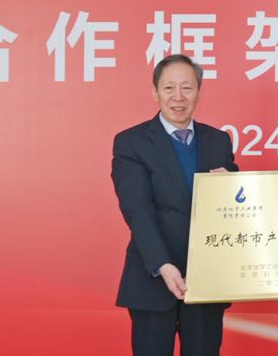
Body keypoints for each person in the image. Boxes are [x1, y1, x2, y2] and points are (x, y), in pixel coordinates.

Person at [111, 54, 238, 356]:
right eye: (169, 88)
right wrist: (163, 266)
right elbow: (138, 211)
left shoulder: (218, 140)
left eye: (187, 87)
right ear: (155, 92)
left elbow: (234, 209)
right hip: (153, 277)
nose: (178, 97)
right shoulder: (132, 142)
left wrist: (233, 185)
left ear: (199, 92)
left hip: (206, 280)